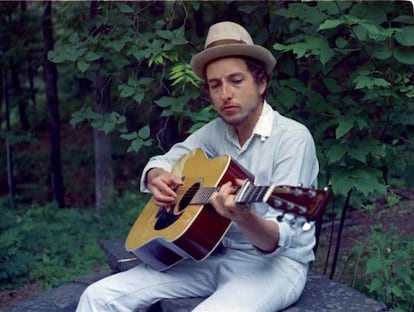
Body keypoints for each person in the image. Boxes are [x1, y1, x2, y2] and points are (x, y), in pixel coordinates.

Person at [76, 21, 319, 312]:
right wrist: (157, 176)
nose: (225, 94)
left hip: (276, 267)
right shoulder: (215, 133)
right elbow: (167, 160)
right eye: (215, 85)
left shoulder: (292, 138)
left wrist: (244, 218)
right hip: (212, 254)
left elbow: (278, 240)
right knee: (97, 296)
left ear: (261, 83)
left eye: (236, 80)